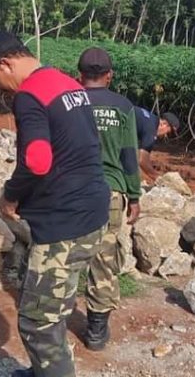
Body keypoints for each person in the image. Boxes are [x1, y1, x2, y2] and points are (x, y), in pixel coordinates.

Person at [0, 32, 109, 377]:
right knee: (56, 306)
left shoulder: (30, 94)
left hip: (65, 223)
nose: (1, 89)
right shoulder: (67, 83)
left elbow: (37, 160)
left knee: (38, 323)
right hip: (94, 212)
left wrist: (10, 196)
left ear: (5, 63)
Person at [76, 47, 141, 352]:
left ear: (79, 75)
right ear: (109, 76)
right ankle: (96, 332)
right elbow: (129, 155)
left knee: (63, 256)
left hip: (70, 191)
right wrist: (134, 195)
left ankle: (50, 320)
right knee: (103, 260)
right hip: (109, 193)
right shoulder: (123, 106)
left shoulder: (68, 102)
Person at [134, 108, 180, 182]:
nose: (165, 136)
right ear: (164, 124)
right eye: (168, 132)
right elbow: (142, 160)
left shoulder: (149, 119)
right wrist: (159, 179)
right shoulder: (151, 128)